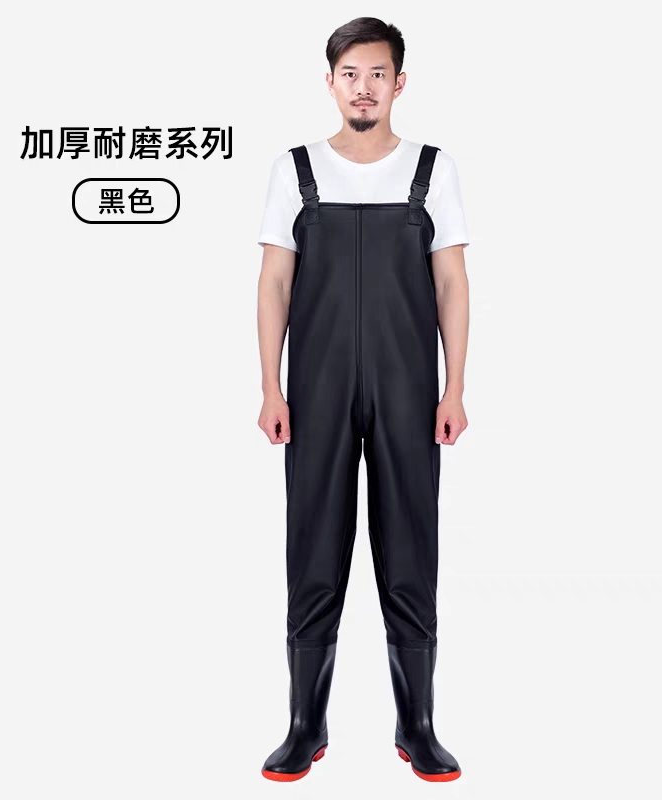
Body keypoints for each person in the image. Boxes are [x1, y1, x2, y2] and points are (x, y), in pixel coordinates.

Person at [256, 16, 470, 783]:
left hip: (409, 387)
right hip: (315, 389)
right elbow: (274, 281)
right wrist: (271, 386)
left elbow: (452, 282)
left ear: (399, 83)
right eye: (350, 74)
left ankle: (418, 724)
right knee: (313, 550)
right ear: (330, 83)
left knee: (410, 550)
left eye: (378, 74)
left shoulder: (432, 170)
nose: (364, 87)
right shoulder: (296, 170)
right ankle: (304, 723)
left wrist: (454, 388)